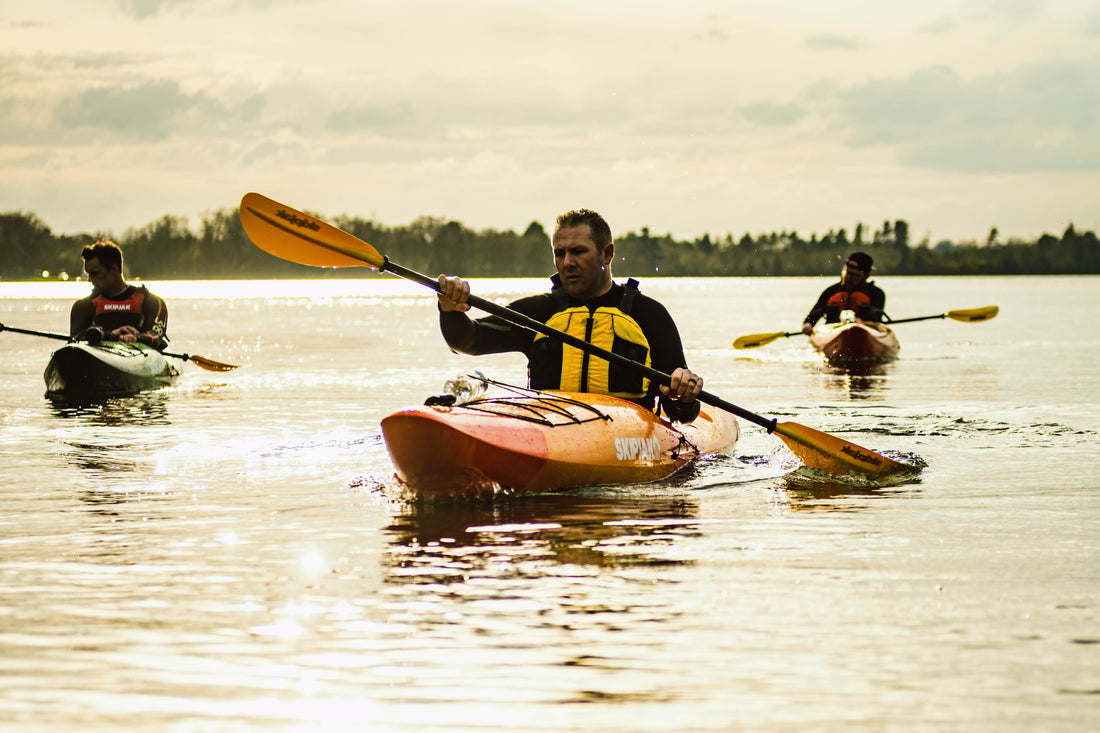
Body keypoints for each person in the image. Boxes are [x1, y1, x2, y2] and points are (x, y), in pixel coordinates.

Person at [436, 208, 703, 423]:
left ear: (607, 253)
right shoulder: (539, 312)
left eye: (578, 251)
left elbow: (681, 413)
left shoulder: (648, 315)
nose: (567, 262)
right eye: (559, 253)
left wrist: (685, 396)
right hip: (553, 427)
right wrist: (449, 308)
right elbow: (467, 341)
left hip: (626, 438)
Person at [70, 239, 169, 350]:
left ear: (114, 269)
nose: (89, 280)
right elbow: (76, 340)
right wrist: (112, 335)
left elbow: (155, 336)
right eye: (88, 274)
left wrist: (135, 338)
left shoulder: (152, 302)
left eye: (95, 273)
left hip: (140, 356)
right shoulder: (82, 306)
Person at [801, 251, 886, 335]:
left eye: (855, 275)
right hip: (833, 334)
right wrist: (808, 324)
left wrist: (861, 321)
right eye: (847, 273)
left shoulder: (876, 294)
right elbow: (813, 316)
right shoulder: (830, 291)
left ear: (866, 276)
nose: (849, 278)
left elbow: (876, 315)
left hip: (864, 333)